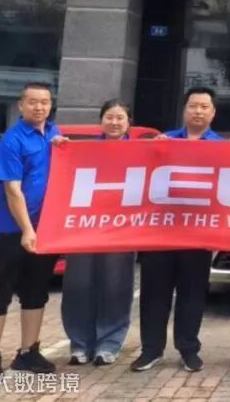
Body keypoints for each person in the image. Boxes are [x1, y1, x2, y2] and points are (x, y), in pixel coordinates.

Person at [132, 86, 224, 373]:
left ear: (213, 113)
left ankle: (188, 349)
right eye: (193, 106)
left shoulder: (224, 148)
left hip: (197, 235)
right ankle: (150, 350)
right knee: (154, 293)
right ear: (184, 110)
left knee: (192, 294)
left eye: (204, 107)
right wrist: (152, 151)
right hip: (159, 233)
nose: (198, 111)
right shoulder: (164, 141)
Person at [0, 82, 65, 383]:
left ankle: (28, 351)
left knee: (35, 292)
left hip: (46, 229)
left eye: (45, 102)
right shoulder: (11, 141)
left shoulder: (54, 133)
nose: (39, 107)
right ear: (21, 105)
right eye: (33, 102)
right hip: (12, 230)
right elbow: (13, 191)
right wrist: (27, 230)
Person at [62, 100, 138, 367]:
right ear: (101, 120)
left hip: (122, 229)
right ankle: (79, 343)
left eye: (120, 118)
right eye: (109, 117)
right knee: (78, 284)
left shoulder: (140, 152)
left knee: (116, 284)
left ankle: (109, 343)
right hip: (83, 227)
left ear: (129, 123)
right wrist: (59, 147)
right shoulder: (82, 151)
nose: (114, 123)